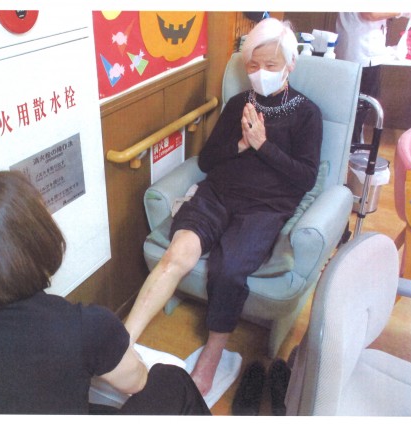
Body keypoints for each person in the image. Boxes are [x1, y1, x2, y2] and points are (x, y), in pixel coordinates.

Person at [124, 18, 323, 396]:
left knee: (230, 269)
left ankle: (212, 356)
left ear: (290, 64)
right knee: (177, 254)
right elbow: (207, 160)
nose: (260, 73)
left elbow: (305, 177)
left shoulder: (307, 114)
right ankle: (122, 341)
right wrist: (240, 145)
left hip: (266, 207)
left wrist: (264, 146)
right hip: (218, 194)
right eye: (253, 65)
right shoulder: (237, 105)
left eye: (270, 65)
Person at [0, 170, 210, 415]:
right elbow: (137, 381)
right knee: (172, 380)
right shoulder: (83, 326)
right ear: (38, 239)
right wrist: (113, 348)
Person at [335, 12, 411, 144]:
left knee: (358, 106)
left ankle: (352, 143)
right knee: (359, 105)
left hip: (358, 50)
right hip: (361, 52)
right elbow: (370, 13)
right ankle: (351, 147)